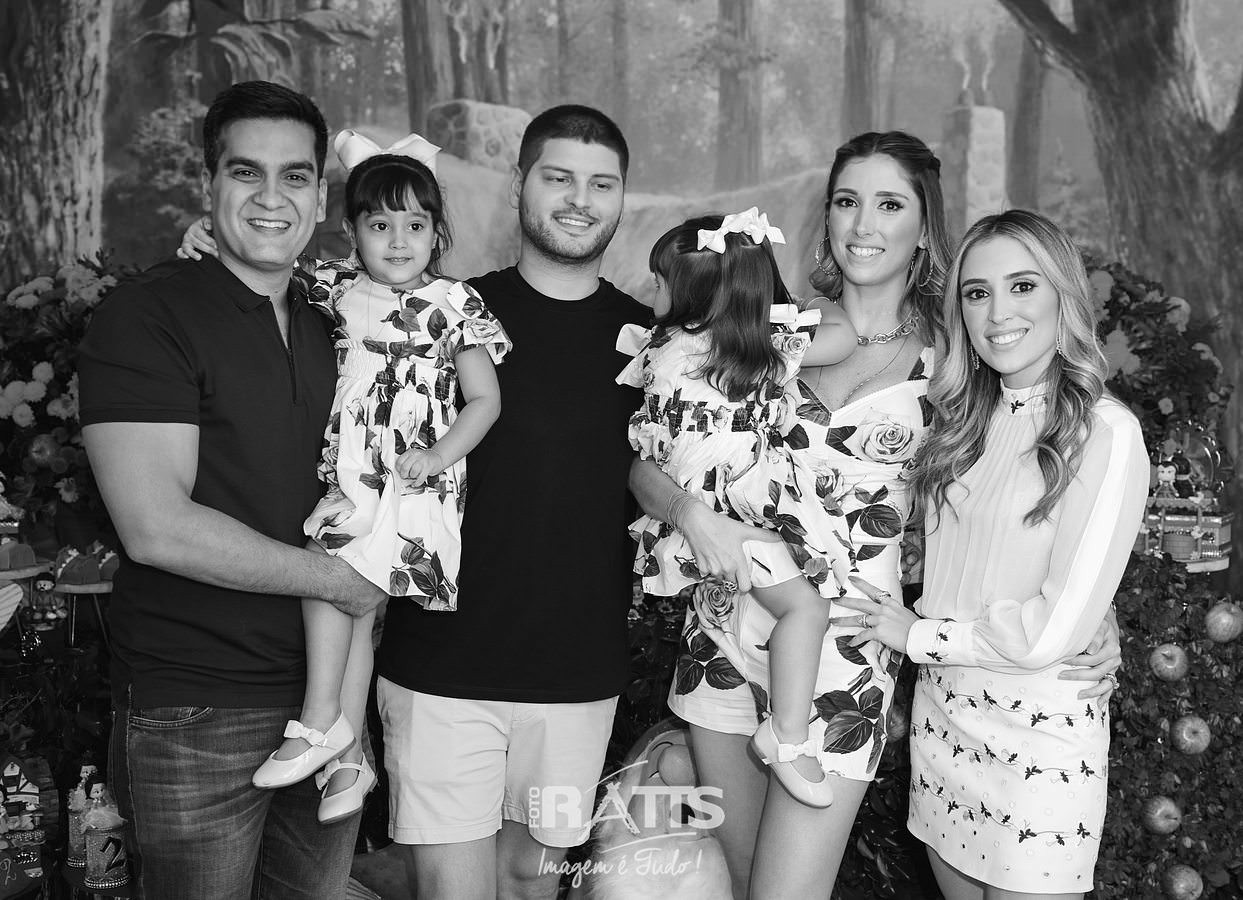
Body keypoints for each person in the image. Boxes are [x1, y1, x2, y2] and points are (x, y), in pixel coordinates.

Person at [630, 132, 1122, 899]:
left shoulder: (958, 362)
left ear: (924, 227)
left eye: (888, 204)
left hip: (845, 649)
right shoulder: (764, 326)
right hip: (723, 625)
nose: (862, 224)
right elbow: (649, 458)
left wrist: (1093, 613)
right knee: (738, 881)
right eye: (846, 201)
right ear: (825, 216)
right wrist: (692, 515)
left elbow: (1028, 492)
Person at [78, 82, 385, 899]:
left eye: (295, 176)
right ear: (208, 184)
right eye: (246, 172)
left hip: (329, 706)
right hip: (195, 709)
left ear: (321, 198)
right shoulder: (147, 316)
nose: (271, 197)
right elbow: (156, 526)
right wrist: (342, 583)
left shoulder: (341, 322)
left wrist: (347, 708)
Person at [180, 133, 510, 826]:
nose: (399, 241)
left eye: (415, 225)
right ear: (351, 231)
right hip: (353, 471)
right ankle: (349, 756)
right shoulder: (334, 287)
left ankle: (318, 722)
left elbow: (486, 400)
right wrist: (204, 239)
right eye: (379, 225)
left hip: (413, 479)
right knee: (354, 604)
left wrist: (439, 455)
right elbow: (259, 263)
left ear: (437, 232)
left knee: (328, 571)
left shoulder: (456, 303)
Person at [373, 106, 649, 900]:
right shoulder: (446, 313)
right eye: (558, 177)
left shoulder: (654, 343)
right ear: (520, 184)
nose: (579, 200)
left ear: (621, 197)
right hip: (438, 666)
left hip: (576, 675)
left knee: (531, 888)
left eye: (601, 184)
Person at [838, 209, 1147, 899]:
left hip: (1039, 740)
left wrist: (917, 635)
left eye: (1022, 286)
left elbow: (1050, 632)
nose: (998, 312)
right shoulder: (959, 425)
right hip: (945, 725)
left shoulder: (1105, 431)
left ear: (1064, 297)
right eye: (977, 293)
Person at [618, 209, 856, 807]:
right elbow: (845, 334)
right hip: (738, 515)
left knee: (791, 609)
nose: (653, 291)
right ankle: (788, 736)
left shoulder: (663, 349)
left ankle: (776, 733)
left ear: (696, 297)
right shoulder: (753, 351)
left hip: (696, 514)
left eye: (661, 280)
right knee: (806, 607)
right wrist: (796, 304)